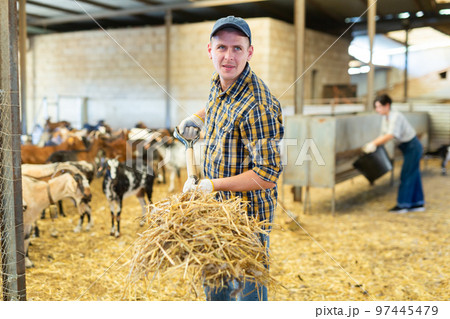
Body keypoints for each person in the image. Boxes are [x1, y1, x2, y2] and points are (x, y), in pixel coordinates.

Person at [178, 16, 284, 301]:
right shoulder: (219, 82)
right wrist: (196, 117)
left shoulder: (257, 105)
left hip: (246, 220)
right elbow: (216, 104)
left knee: (249, 293)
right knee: (215, 284)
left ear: (250, 51)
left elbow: (267, 175)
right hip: (213, 212)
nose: (228, 56)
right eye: (221, 47)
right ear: (209, 50)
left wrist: (211, 186)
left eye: (237, 48)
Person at [363, 94, 425, 213]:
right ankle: (418, 203)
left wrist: (373, 144)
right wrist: (374, 143)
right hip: (407, 147)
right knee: (414, 174)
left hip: (412, 146)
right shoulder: (385, 118)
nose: (377, 110)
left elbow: (391, 135)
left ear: (387, 105)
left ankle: (403, 205)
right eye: (376, 107)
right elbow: (383, 134)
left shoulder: (395, 117)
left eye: (379, 107)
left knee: (406, 174)